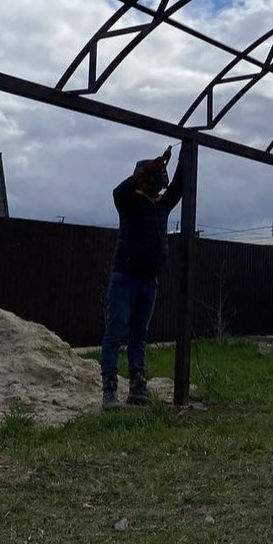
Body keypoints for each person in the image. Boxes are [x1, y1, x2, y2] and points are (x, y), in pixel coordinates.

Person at [101, 144, 188, 409]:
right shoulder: (130, 202)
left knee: (138, 336)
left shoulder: (160, 206)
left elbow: (179, 187)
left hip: (149, 280)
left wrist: (185, 151)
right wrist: (139, 175)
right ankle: (109, 391)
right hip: (125, 277)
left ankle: (137, 388)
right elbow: (118, 192)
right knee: (115, 334)